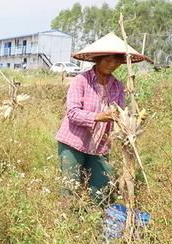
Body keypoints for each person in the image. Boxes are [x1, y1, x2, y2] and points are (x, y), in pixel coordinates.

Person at [55, 33, 151, 205]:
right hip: (74, 142)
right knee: (70, 188)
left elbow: (120, 113)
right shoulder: (81, 81)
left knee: (100, 188)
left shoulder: (118, 86)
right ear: (97, 60)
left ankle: (95, 220)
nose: (112, 64)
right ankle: (67, 223)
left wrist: (130, 121)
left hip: (100, 146)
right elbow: (73, 113)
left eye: (116, 61)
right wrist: (99, 117)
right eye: (107, 60)